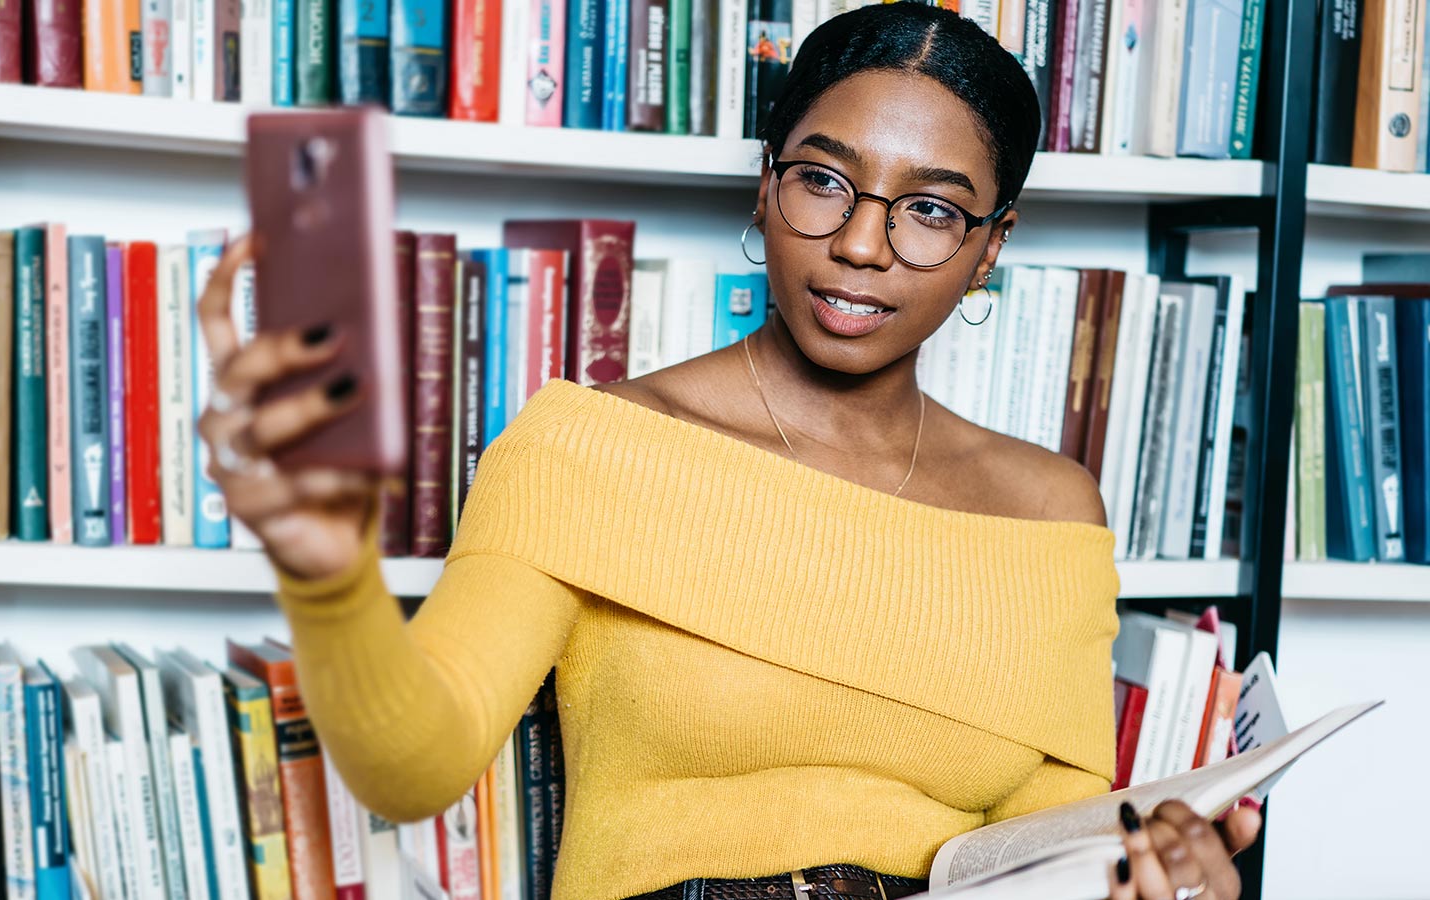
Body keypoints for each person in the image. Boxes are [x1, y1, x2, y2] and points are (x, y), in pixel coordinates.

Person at [194, 4, 1264, 898]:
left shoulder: (1049, 512)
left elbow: (1048, 850)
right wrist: (326, 571)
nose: (858, 244)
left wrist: (1153, 877)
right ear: (766, 182)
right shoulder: (593, 447)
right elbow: (411, 764)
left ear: (990, 248)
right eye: (824, 180)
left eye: (930, 211)